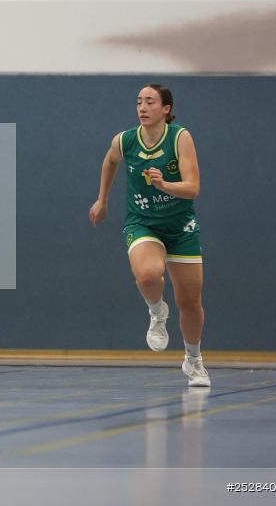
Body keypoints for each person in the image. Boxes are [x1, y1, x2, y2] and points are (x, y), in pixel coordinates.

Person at [89, 84, 210, 388]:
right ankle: (157, 312)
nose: (142, 107)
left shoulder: (180, 137)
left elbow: (192, 188)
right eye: (139, 102)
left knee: (190, 301)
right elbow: (109, 160)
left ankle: (193, 360)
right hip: (143, 222)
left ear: (166, 109)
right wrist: (102, 199)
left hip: (180, 226)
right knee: (147, 275)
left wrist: (165, 185)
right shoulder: (126, 140)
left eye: (150, 102)